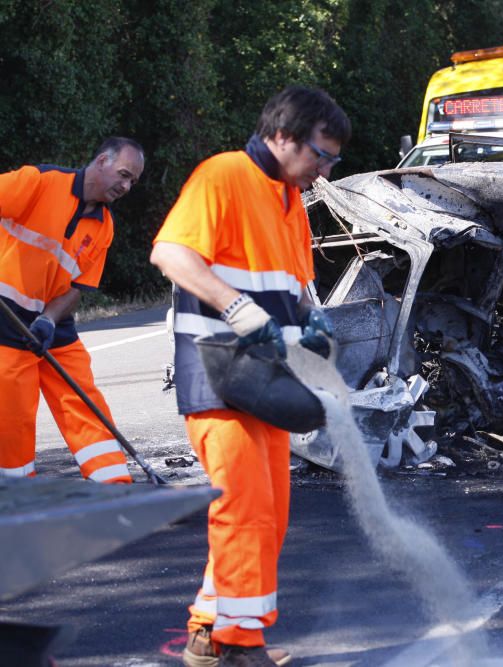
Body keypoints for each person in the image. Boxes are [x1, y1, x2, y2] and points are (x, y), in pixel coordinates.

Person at [150, 85, 350, 667]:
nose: (325, 169)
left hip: (264, 380)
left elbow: (296, 288)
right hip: (218, 374)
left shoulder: (289, 201)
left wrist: (314, 323)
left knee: (267, 515)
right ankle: (239, 647)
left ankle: (210, 628)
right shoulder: (224, 176)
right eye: (321, 155)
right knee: (245, 511)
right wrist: (236, 307)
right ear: (284, 136)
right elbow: (171, 254)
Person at [0, 137, 144, 482]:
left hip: (53, 325)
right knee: (13, 417)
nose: (125, 186)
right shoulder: (39, 182)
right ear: (100, 162)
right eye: (123, 175)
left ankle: (113, 485)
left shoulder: (103, 227)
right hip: (6, 322)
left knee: (84, 403)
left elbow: (78, 288)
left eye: (132, 182)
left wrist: (49, 320)